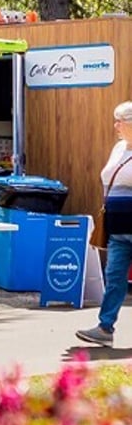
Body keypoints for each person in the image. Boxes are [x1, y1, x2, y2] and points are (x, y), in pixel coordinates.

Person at [77, 101, 132, 347]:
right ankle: (105, 327)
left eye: (119, 121)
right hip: (118, 228)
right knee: (114, 277)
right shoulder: (119, 148)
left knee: (115, 276)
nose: (115, 126)